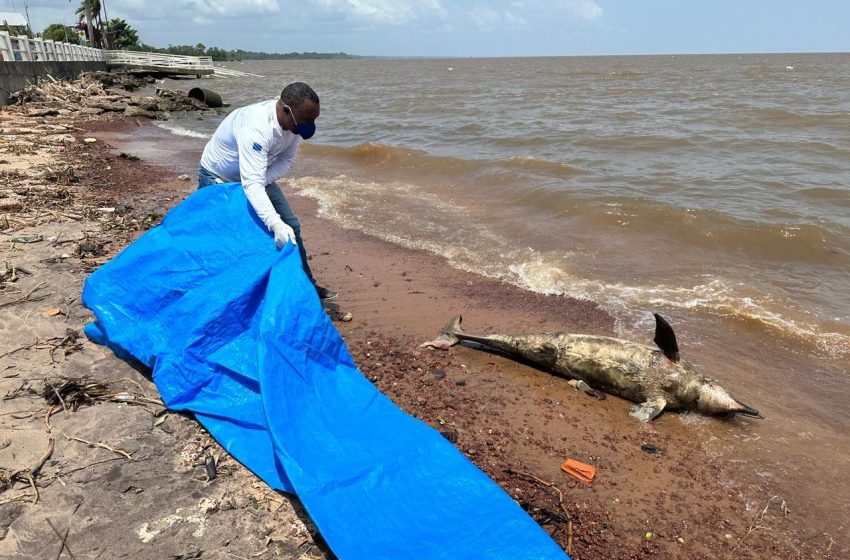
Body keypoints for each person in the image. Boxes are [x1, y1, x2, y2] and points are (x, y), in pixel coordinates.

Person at [198, 82, 337, 301]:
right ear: (285, 110)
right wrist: (273, 222)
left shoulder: (295, 124)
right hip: (218, 176)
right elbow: (250, 185)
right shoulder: (256, 128)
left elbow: (287, 161)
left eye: (313, 120)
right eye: (304, 120)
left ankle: (306, 287)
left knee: (291, 226)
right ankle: (222, 296)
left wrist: (264, 185)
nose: (307, 125)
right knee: (225, 236)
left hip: (259, 173)